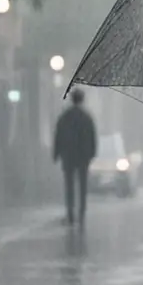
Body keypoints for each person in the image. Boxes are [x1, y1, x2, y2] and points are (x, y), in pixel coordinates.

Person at [53, 88, 97, 225]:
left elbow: (58, 136)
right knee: (82, 185)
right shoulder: (87, 117)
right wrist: (91, 154)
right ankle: (82, 212)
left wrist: (56, 153)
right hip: (83, 157)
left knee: (69, 185)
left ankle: (70, 212)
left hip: (69, 156)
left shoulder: (65, 116)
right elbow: (92, 137)